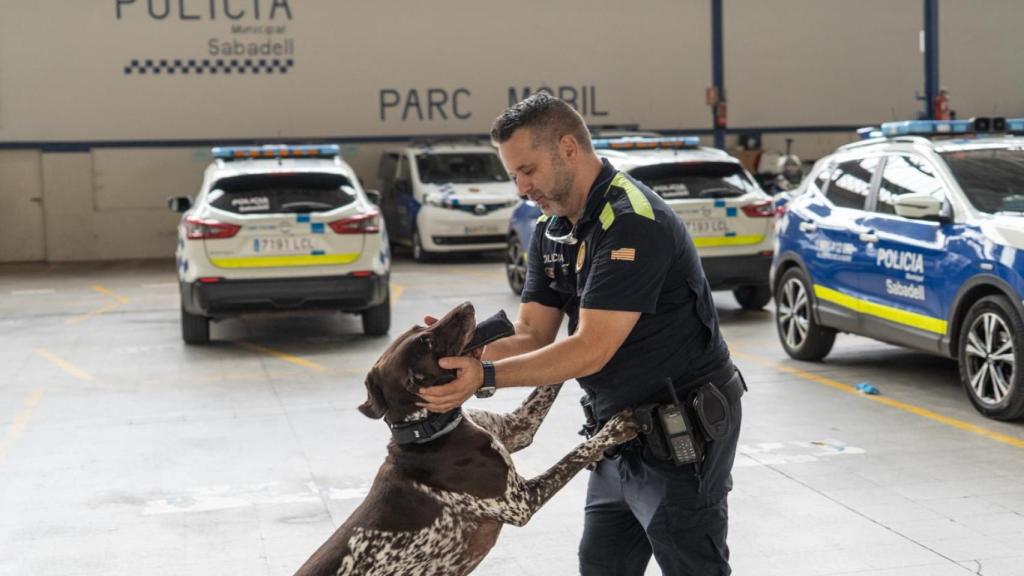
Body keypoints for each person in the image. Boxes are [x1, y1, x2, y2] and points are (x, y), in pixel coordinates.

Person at [418, 93, 744, 575]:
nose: (523, 187)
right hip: (617, 431)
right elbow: (532, 332)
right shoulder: (552, 230)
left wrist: (483, 376)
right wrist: (457, 353)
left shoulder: (630, 222)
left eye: (528, 170)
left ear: (568, 148)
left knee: (691, 563)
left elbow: (592, 348)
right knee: (601, 565)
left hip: (682, 434)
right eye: (514, 176)